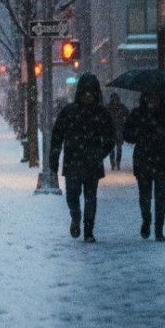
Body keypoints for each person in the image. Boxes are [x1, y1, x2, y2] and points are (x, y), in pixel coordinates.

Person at [50, 73, 115, 243]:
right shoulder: (69, 112)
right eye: (85, 92)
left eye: (91, 92)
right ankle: (75, 215)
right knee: (72, 195)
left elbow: (110, 137)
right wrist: (54, 160)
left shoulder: (101, 113)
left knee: (90, 197)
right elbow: (57, 136)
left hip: (92, 163)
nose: (88, 95)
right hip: (73, 162)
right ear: (80, 93)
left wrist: (100, 153)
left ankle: (88, 231)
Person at [123, 92, 165, 242]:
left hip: (162, 160)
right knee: (145, 195)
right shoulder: (137, 114)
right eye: (149, 97)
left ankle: (159, 229)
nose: (152, 100)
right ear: (144, 98)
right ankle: (146, 219)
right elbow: (127, 134)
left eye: (155, 97)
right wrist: (140, 134)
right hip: (143, 160)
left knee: (160, 196)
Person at [106, 93, 130, 171]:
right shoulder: (116, 107)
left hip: (116, 130)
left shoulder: (110, 107)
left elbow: (127, 115)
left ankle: (115, 163)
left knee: (116, 148)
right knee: (114, 148)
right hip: (114, 130)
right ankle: (114, 163)